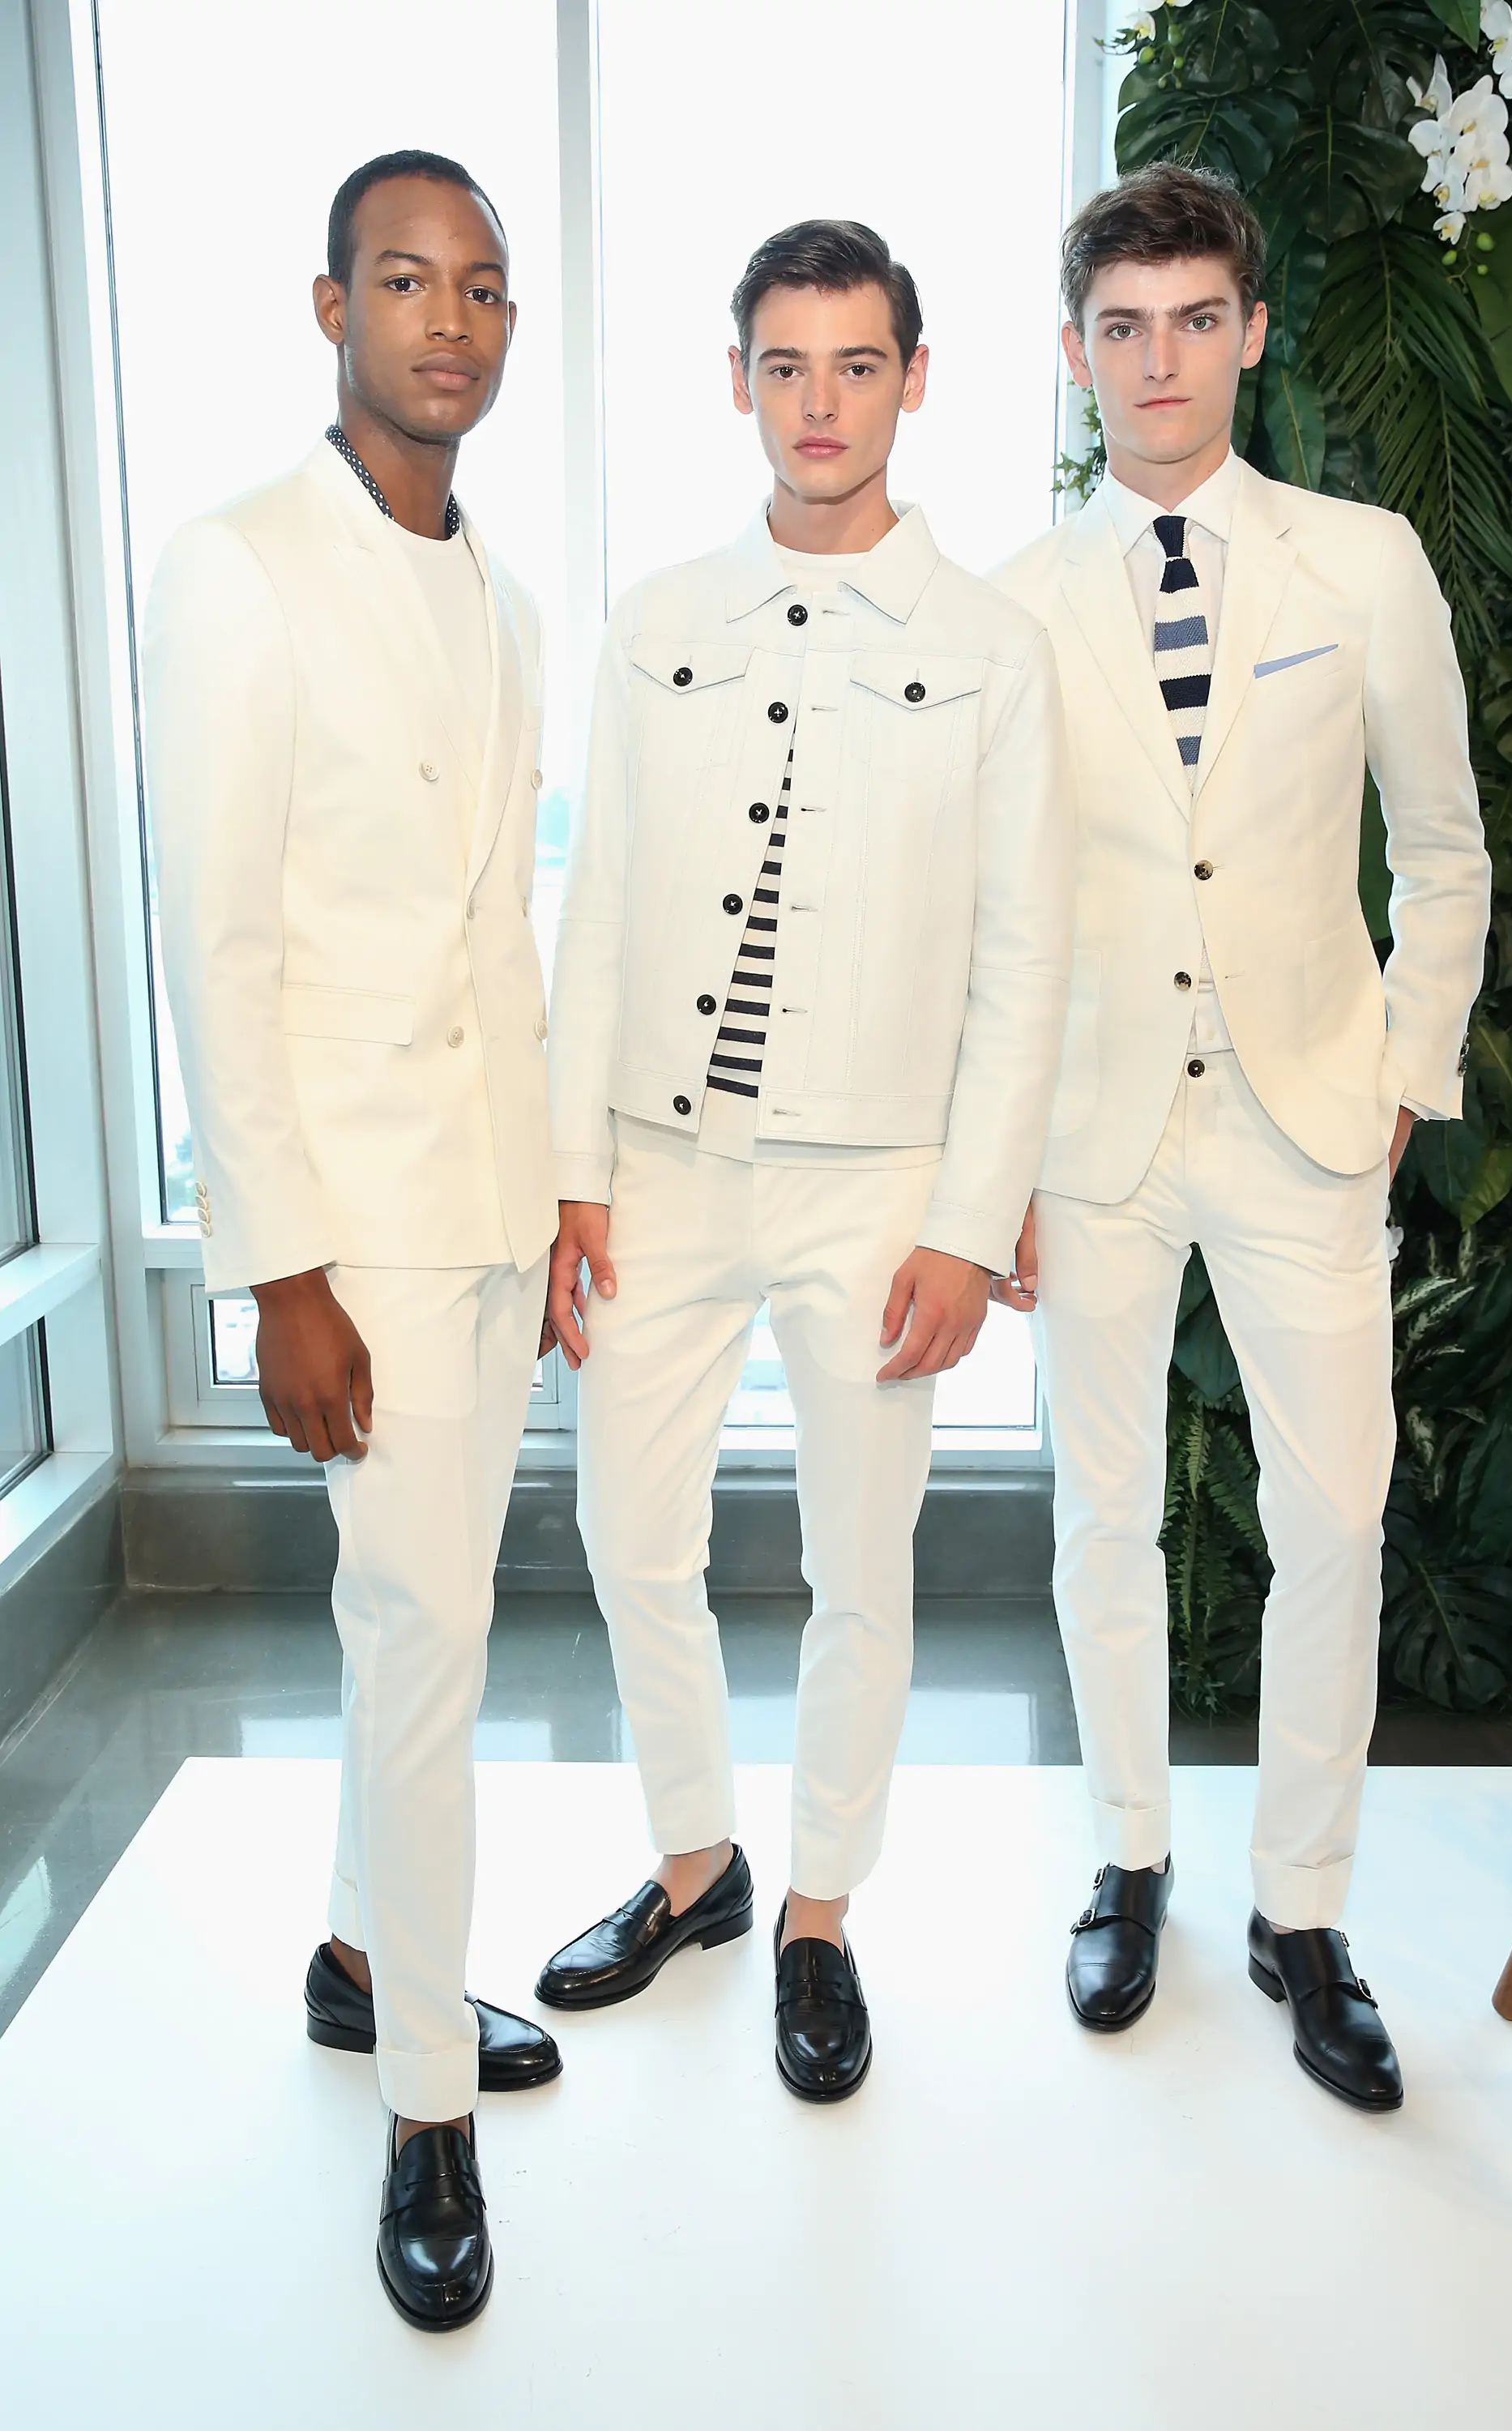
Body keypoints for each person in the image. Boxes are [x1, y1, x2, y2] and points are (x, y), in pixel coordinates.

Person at [539, 220, 1073, 2100]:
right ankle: (697, 1862)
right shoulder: (656, 621)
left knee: (862, 1564)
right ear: (738, 380)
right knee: (625, 1531)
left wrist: (961, 1215)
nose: (820, 402)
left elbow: (1025, 958)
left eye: (857, 365)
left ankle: (820, 1911)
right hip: (660, 1165)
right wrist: (568, 1169)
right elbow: (596, 903)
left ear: (913, 379)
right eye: (786, 364)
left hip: (878, 1184)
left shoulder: (992, 648)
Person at [994, 162, 1490, 2111]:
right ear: (1074, 354)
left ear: (1255, 332)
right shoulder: (1020, 600)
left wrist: (1400, 1075)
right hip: (1093, 1129)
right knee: (1102, 1516)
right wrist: (990, 1169)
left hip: (1304, 1120)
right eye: (1122, 326)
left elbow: (1442, 852)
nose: (1160, 360)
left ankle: (1303, 1907)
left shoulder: (1360, 562)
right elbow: (990, 907)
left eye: (1196, 318)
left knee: (1332, 1521)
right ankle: (1129, 1860)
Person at [143, 151, 561, 2330]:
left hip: (486, 1209)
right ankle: (425, 2112)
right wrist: (276, 1266)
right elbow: (213, 945)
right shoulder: (240, 566)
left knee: (425, 1626)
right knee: (423, 1650)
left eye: (486, 289)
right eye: (408, 281)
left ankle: (349, 1956)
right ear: (331, 309)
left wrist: (561, 1189)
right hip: (358, 1236)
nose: (451, 322)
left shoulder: (504, 591)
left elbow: (514, 920)